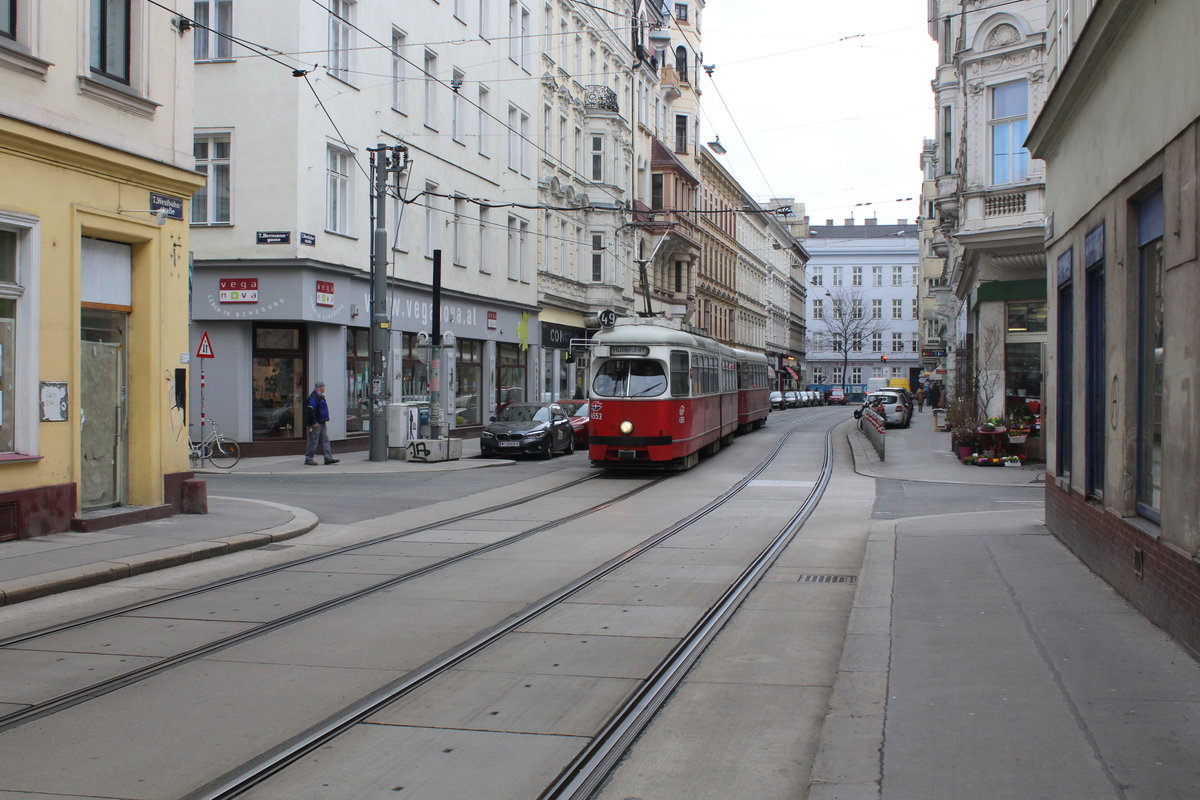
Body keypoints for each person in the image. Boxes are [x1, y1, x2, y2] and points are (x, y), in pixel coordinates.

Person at [304, 381, 340, 466]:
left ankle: (328, 458)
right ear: (320, 388)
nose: (324, 388)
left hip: (321, 422)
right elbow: (310, 409)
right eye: (323, 386)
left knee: (325, 440)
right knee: (313, 441)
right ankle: (308, 459)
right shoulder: (314, 397)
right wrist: (313, 422)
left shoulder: (320, 397)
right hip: (316, 423)